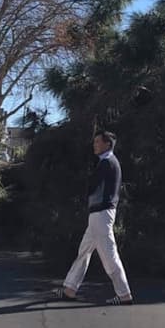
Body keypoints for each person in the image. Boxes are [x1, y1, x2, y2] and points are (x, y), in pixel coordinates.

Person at [57, 130, 133, 305]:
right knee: (84, 251)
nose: (94, 145)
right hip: (98, 214)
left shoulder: (107, 163)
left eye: (98, 142)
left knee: (109, 254)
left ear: (107, 144)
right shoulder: (107, 162)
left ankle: (124, 294)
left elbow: (91, 186)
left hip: (101, 213)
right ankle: (70, 289)